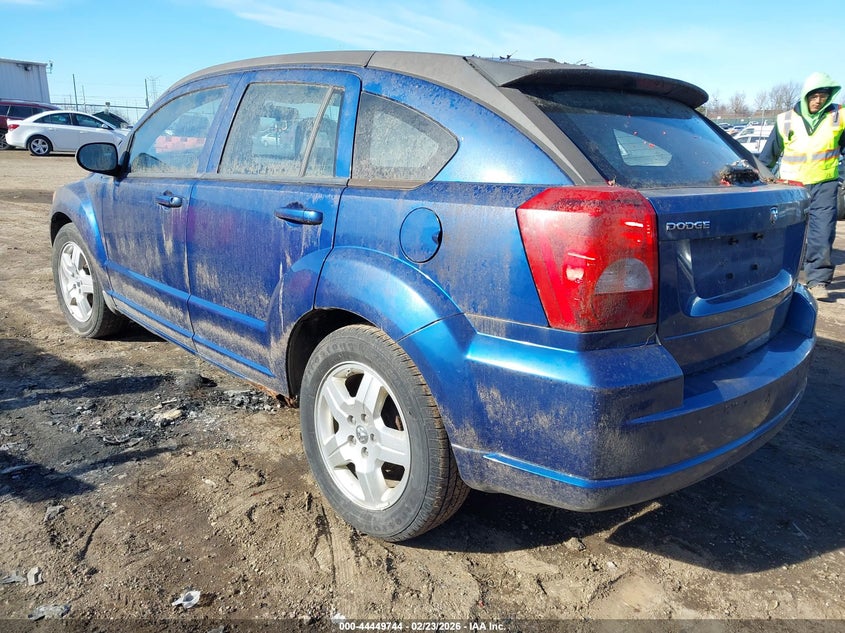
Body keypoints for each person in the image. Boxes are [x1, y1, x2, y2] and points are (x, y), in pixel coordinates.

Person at [760, 72, 845, 302]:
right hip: (791, 187)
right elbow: (768, 156)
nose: (818, 100)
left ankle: (818, 280)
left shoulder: (839, 117)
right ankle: (782, 276)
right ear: (806, 96)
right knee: (787, 232)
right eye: (814, 96)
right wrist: (756, 178)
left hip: (824, 185)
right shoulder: (785, 120)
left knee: (822, 232)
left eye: (823, 96)